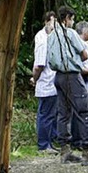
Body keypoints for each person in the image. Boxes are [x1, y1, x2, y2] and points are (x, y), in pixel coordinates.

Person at [47, 6, 88, 165]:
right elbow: (84, 53)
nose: (72, 22)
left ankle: (65, 151)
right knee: (83, 111)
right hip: (72, 75)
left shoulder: (51, 36)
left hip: (58, 76)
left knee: (63, 113)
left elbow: (49, 59)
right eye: (71, 19)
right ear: (66, 19)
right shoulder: (69, 33)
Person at [31, 11, 58, 153]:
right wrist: (34, 78)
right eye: (53, 22)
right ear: (47, 21)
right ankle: (43, 145)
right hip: (45, 83)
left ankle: (49, 142)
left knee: (51, 115)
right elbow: (39, 65)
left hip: (53, 83)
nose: (55, 26)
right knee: (45, 115)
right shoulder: (42, 39)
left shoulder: (51, 37)